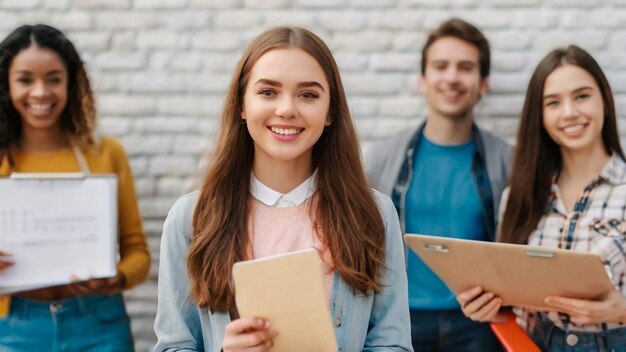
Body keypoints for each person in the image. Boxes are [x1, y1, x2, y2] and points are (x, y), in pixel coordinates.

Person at [154, 26, 412, 352]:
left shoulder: (374, 214)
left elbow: (393, 344)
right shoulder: (190, 219)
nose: (287, 109)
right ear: (242, 106)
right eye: (268, 92)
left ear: (331, 111)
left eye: (308, 95)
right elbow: (172, 346)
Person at [457, 45, 626, 351]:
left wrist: (623, 310)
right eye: (553, 103)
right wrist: (489, 308)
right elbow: (511, 301)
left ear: (605, 101)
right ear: (540, 116)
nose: (570, 112)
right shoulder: (519, 197)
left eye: (582, 96)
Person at [0, 24, 150, 351]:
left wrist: (116, 278)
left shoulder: (105, 154)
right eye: (25, 79)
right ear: (6, 86)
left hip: (99, 324)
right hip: (12, 330)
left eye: (53, 78)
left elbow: (137, 252)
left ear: (70, 83)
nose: (40, 92)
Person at [365, 18, 511, 351]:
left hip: (480, 324)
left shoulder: (508, 162)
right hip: (401, 321)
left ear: (483, 82)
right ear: (423, 80)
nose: (452, 78)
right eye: (440, 66)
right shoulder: (381, 158)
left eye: (465, 67)